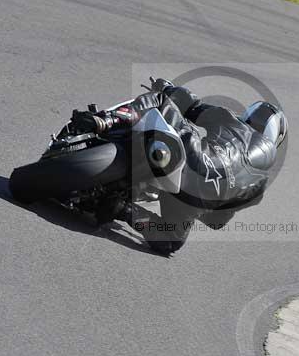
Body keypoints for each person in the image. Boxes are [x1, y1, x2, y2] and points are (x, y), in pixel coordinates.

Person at [72, 78, 287, 254]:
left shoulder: (234, 121)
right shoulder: (259, 187)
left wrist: (166, 88)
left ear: (250, 116)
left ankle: (107, 120)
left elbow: (192, 106)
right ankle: (123, 209)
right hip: (195, 199)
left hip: (193, 158)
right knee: (170, 240)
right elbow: (216, 222)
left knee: (161, 101)